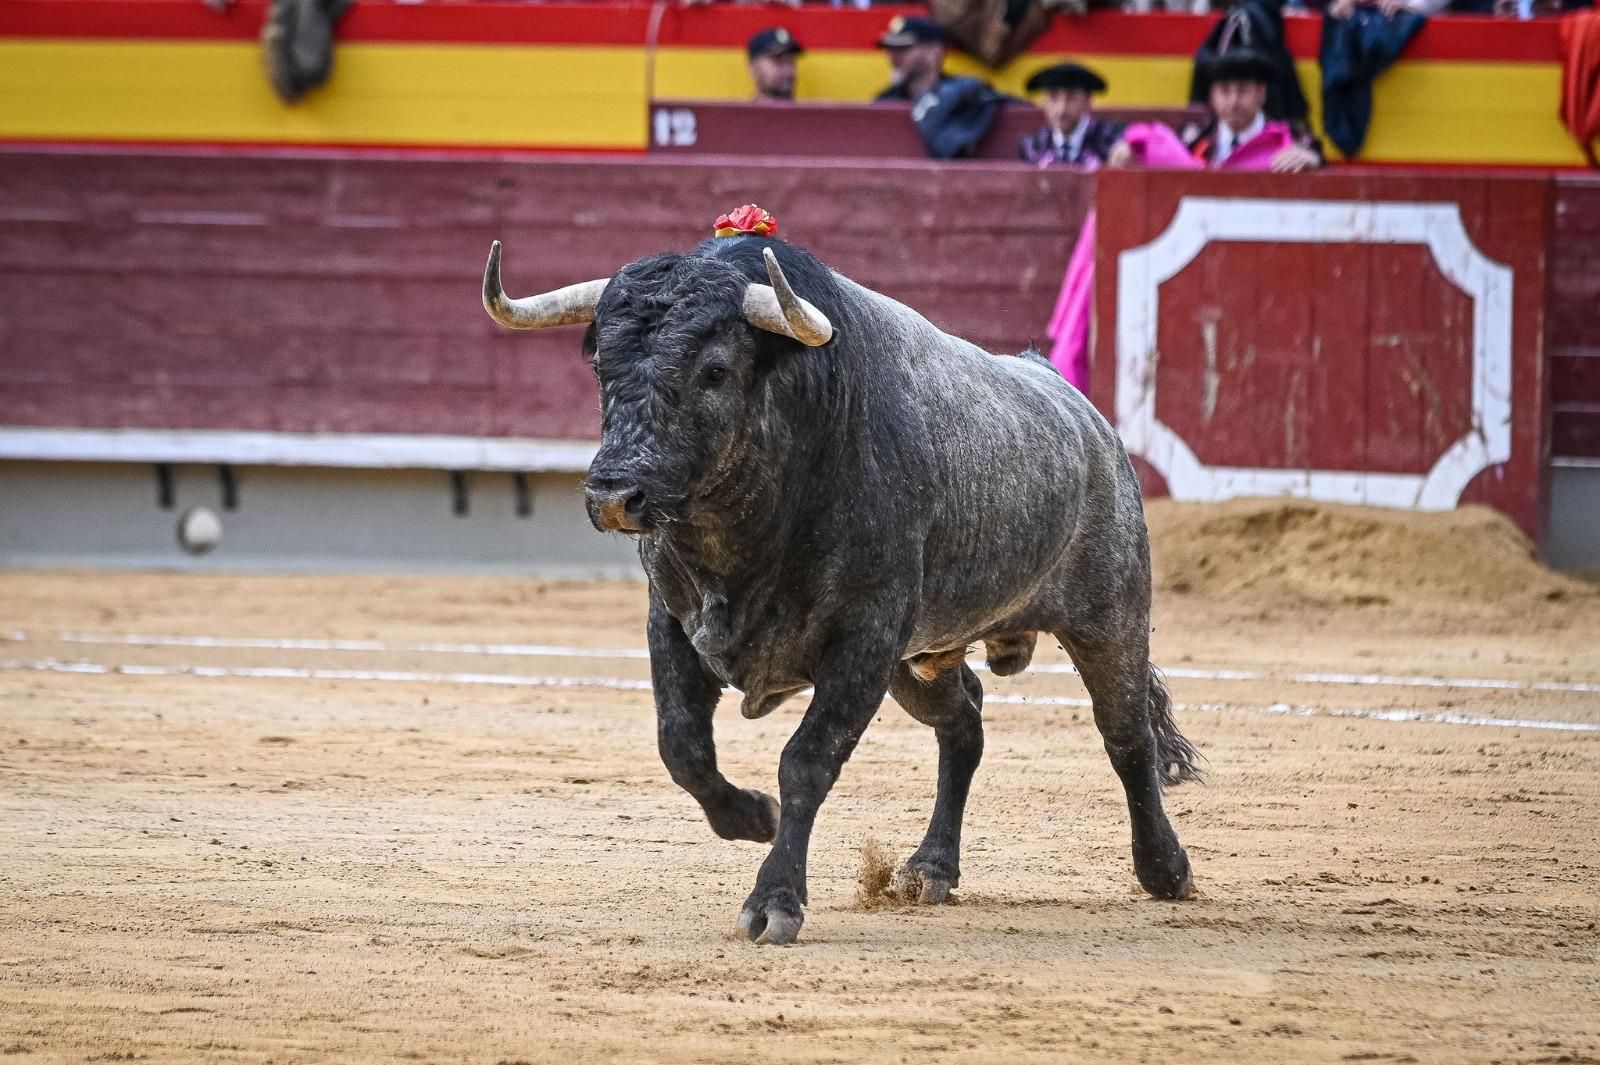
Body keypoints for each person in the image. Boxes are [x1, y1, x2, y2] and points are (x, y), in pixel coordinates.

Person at [1108, 46, 1321, 171]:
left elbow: (1324, 175)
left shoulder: (1294, 138)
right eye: (1225, 91)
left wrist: (1313, 162)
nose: (1234, 101)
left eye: (1243, 90)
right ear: (1212, 96)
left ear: (1261, 94)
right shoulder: (1193, 138)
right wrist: (1129, 149)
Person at [1018, 62, 1124, 168]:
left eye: (1071, 97)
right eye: (1053, 97)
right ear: (1044, 102)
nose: (1061, 109)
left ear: (1088, 102)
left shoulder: (1110, 140)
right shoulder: (1033, 146)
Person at [874, 16, 951, 102]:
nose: (893, 57)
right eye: (890, 49)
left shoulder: (961, 100)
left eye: (903, 48)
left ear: (934, 51)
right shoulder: (886, 101)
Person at [746, 27, 803, 103]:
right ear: (753, 68)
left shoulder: (811, 114)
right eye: (778, 61)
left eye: (790, 61)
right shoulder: (737, 115)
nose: (788, 71)